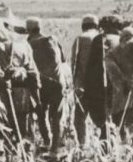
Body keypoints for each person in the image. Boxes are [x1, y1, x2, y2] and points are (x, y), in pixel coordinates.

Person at [0, 20, 42, 143]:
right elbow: (33, 73)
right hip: (23, 94)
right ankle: (26, 155)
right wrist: (36, 97)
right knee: (24, 127)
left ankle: (10, 156)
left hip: (3, 95)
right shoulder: (23, 46)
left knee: (5, 128)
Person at [25, 16, 66, 152]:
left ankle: (47, 142)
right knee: (56, 117)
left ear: (28, 30)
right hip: (57, 83)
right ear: (40, 28)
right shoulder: (52, 40)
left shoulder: (28, 44)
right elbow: (63, 60)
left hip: (40, 84)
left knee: (41, 114)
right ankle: (55, 148)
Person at [84, 14, 124, 140]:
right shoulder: (121, 40)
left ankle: (107, 142)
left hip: (99, 85)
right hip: (118, 85)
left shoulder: (98, 40)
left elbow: (91, 67)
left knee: (104, 120)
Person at [71, 14, 100, 145]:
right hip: (100, 86)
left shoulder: (80, 39)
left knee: (79, 118)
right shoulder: (102, 38)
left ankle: (84, 145)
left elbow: (74, 63)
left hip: (82, 85)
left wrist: (74, 84)